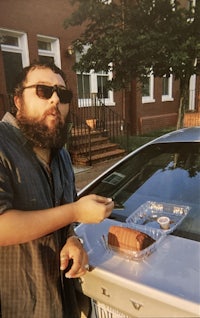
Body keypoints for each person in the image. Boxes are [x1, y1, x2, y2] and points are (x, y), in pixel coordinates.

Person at [0, 61, 114, 318]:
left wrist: (72, 238)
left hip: (61, 303)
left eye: (63, 95)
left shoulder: (61, 154)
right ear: (18, 100)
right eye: (43, 91)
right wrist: (74, 212)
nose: (54, 100)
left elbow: (64, 211)